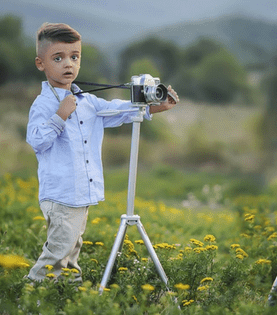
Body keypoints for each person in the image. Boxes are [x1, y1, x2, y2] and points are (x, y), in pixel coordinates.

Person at [26, 23, 179, 282]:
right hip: (61, 193)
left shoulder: (88, 101)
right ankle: (30, 295)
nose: (68, 64)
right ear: (41, 64)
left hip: (80, 193)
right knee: (58, 250)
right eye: (58, 58)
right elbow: (37, 141)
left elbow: (116, 110)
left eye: (74, 57)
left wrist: (153, 108)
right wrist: (60, 116)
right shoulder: (43, 104)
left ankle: (68, 290)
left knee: (72, 248)